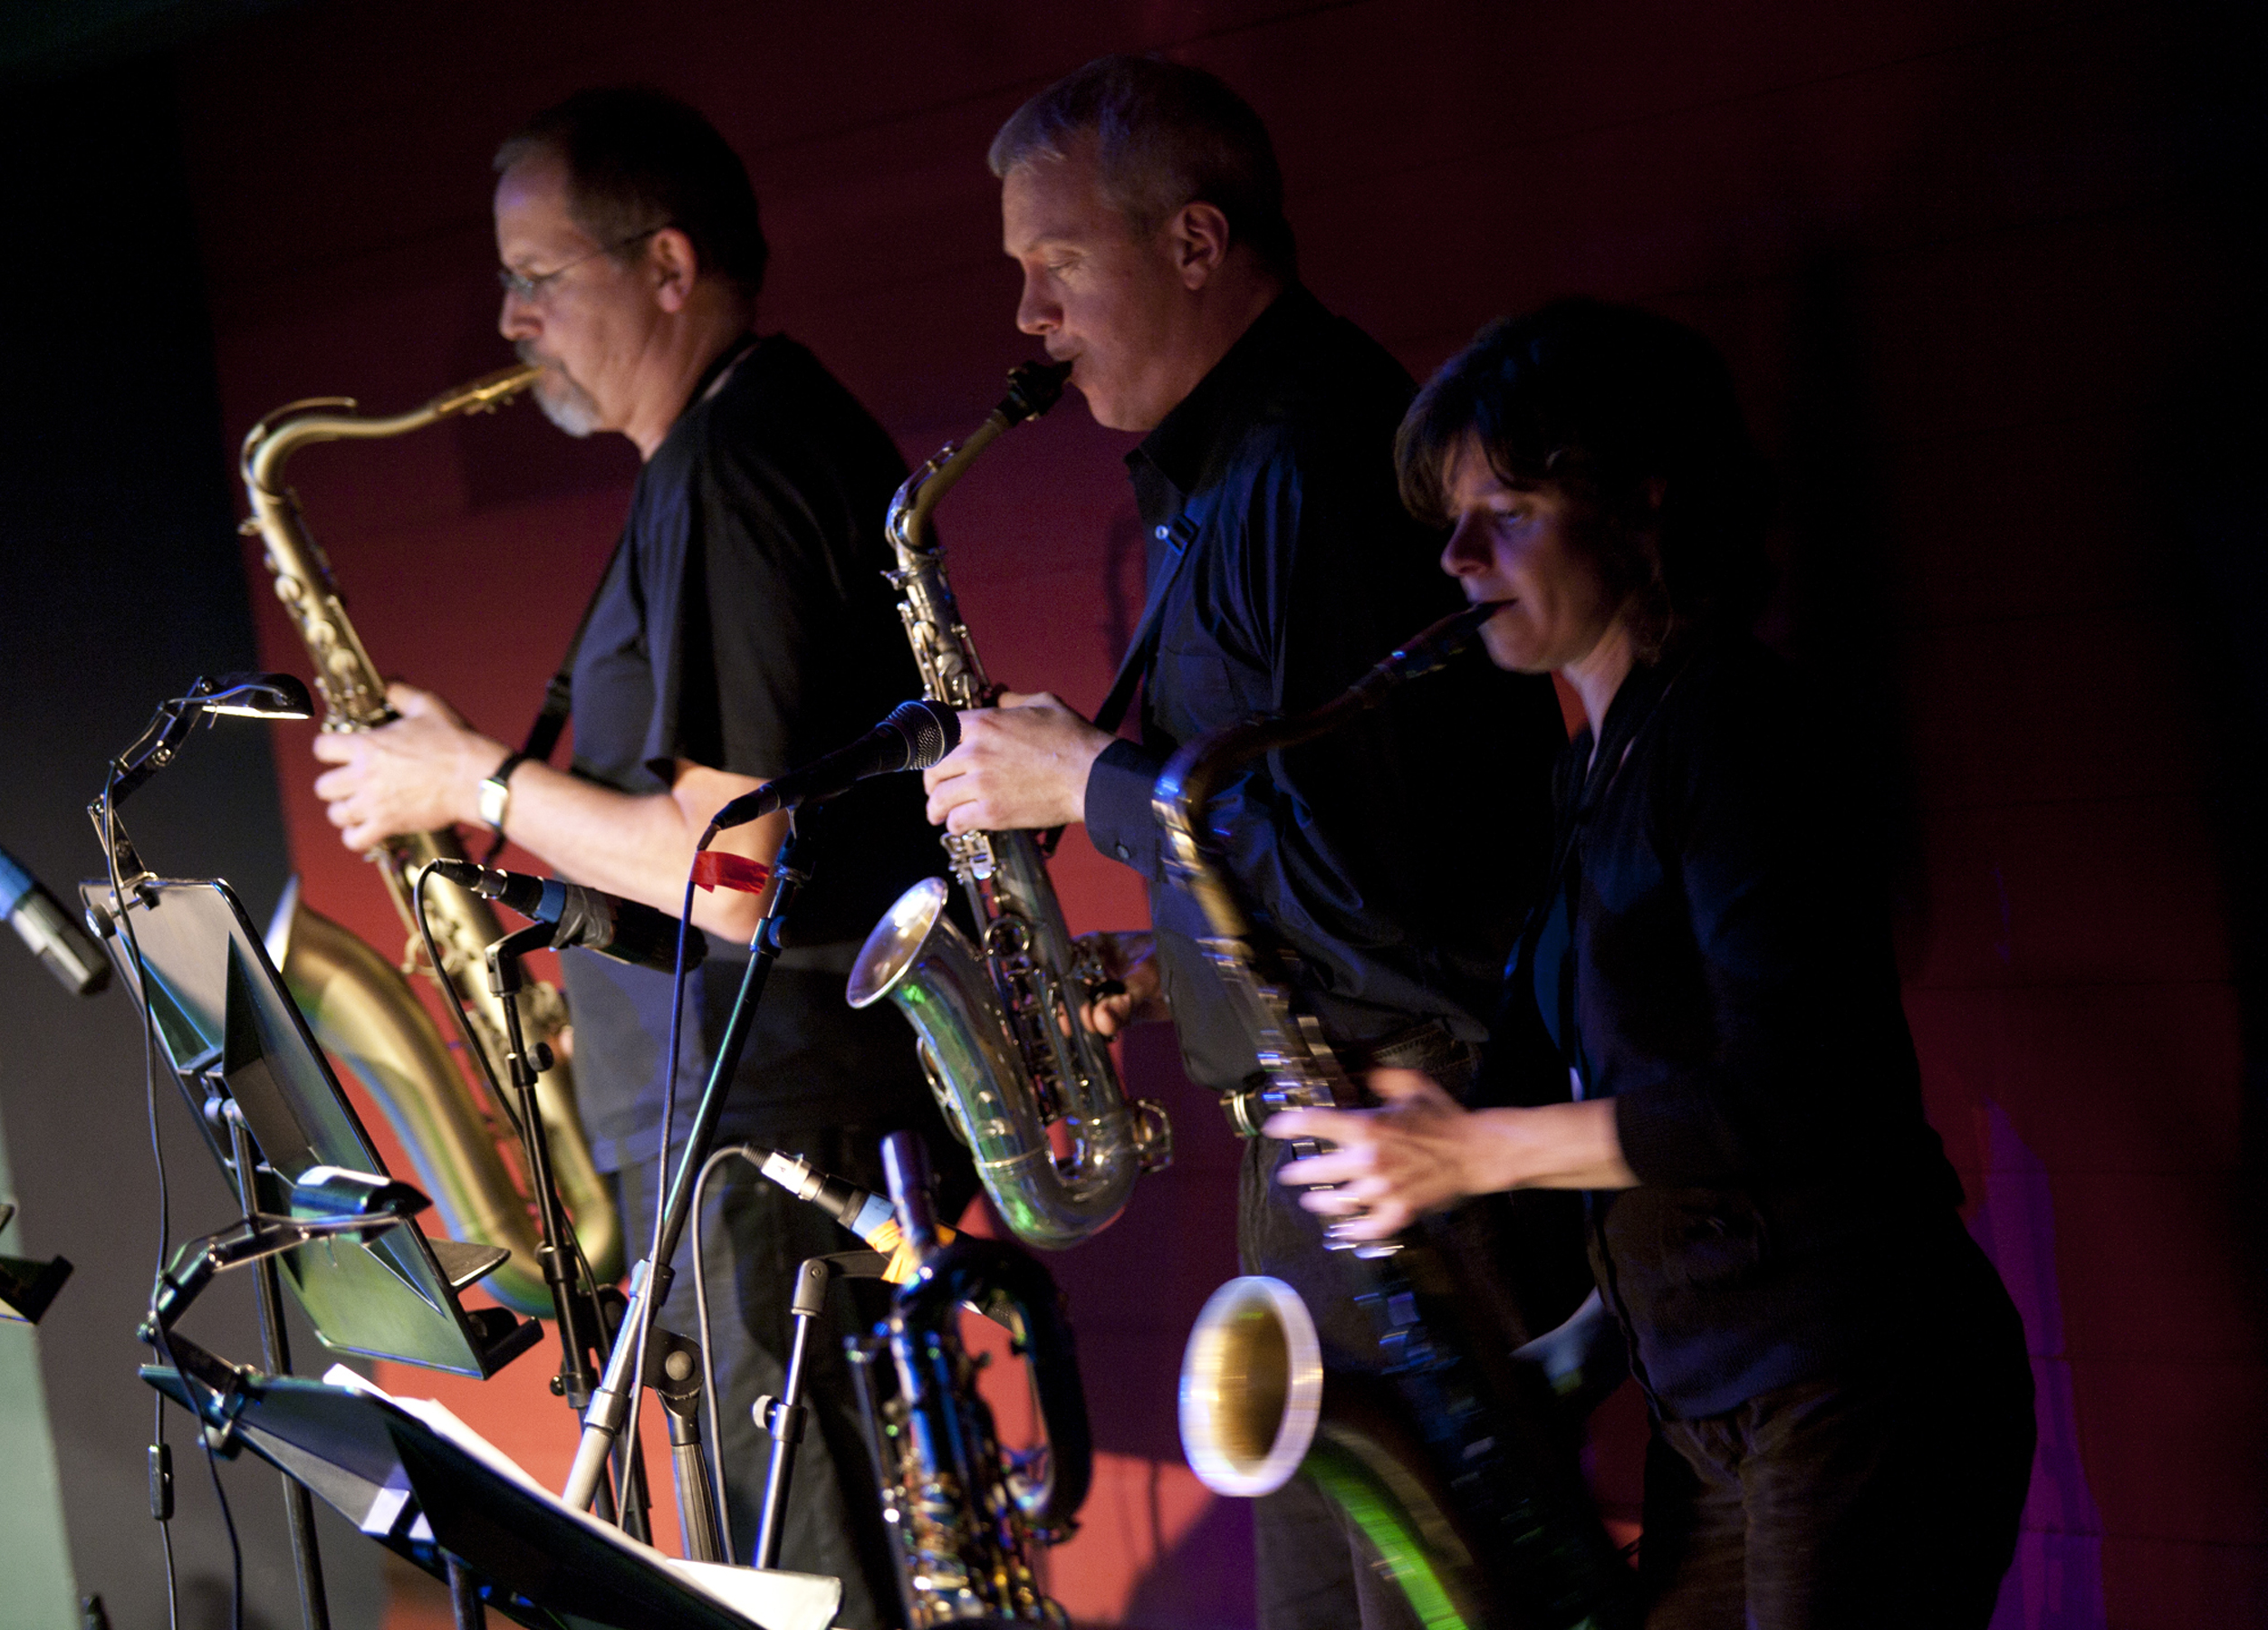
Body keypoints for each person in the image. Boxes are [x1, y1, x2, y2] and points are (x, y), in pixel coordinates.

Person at [920, 55, 1569, 1629]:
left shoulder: (1314, 463)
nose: (1029, 316)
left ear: (1196, 243)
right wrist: (1176, 963)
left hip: (1404, 1148)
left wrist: (1091, 783)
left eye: (1056, 263)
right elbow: (1317, 843)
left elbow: (1378, 877)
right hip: (1323, 1143)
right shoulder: (1229, 471)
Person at [1271, 298, 2036, 1628]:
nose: (1455, 556)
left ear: (1643, 507)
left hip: (1853, 1385)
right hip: (1720, 1403)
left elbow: (1791, 1098)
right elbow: (1655, 1122)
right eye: (1453, 519)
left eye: (1507, 512)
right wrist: (1564, 1355)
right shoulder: (1593, 768)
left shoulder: (1734, 730)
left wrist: (1478, 1152)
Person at [308, 87, 969, 1625]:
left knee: (809, 1592)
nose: (509, 318)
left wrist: (468, 776)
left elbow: (727, 877)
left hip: (763, 1131)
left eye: (537, 276)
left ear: (667, 267)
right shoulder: (724, 455)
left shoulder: (732, 468)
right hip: (752, 1123)